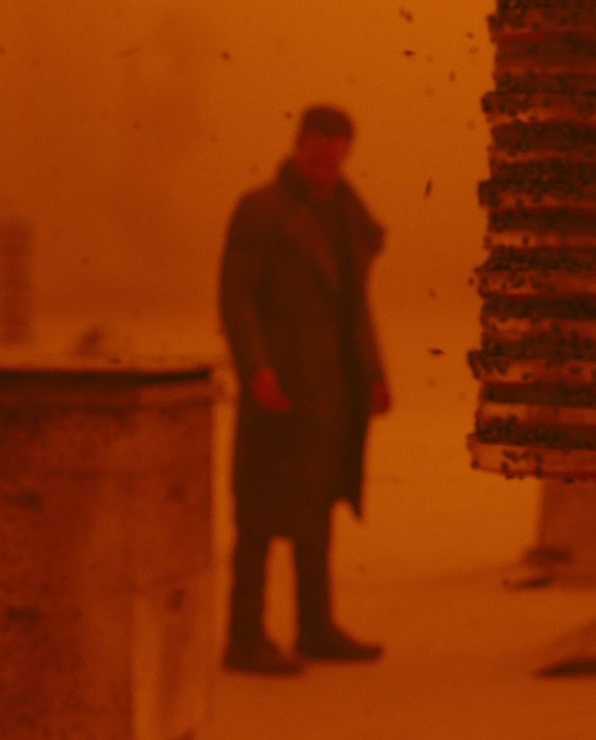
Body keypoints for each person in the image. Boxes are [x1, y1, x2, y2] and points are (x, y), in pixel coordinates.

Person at [218, 105, 391, 674]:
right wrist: (257, 368)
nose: (323, 170)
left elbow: (353, 306)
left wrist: (374, 373)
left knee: (316, 508)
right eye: (316, 158)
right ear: (299, 147)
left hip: (331, 388)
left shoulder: (346, 214)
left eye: (334, 160)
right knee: (259, 515)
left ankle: (315, 627)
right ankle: (244, 637)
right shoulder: (262, 212)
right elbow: (238, 299)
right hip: (281, 385)